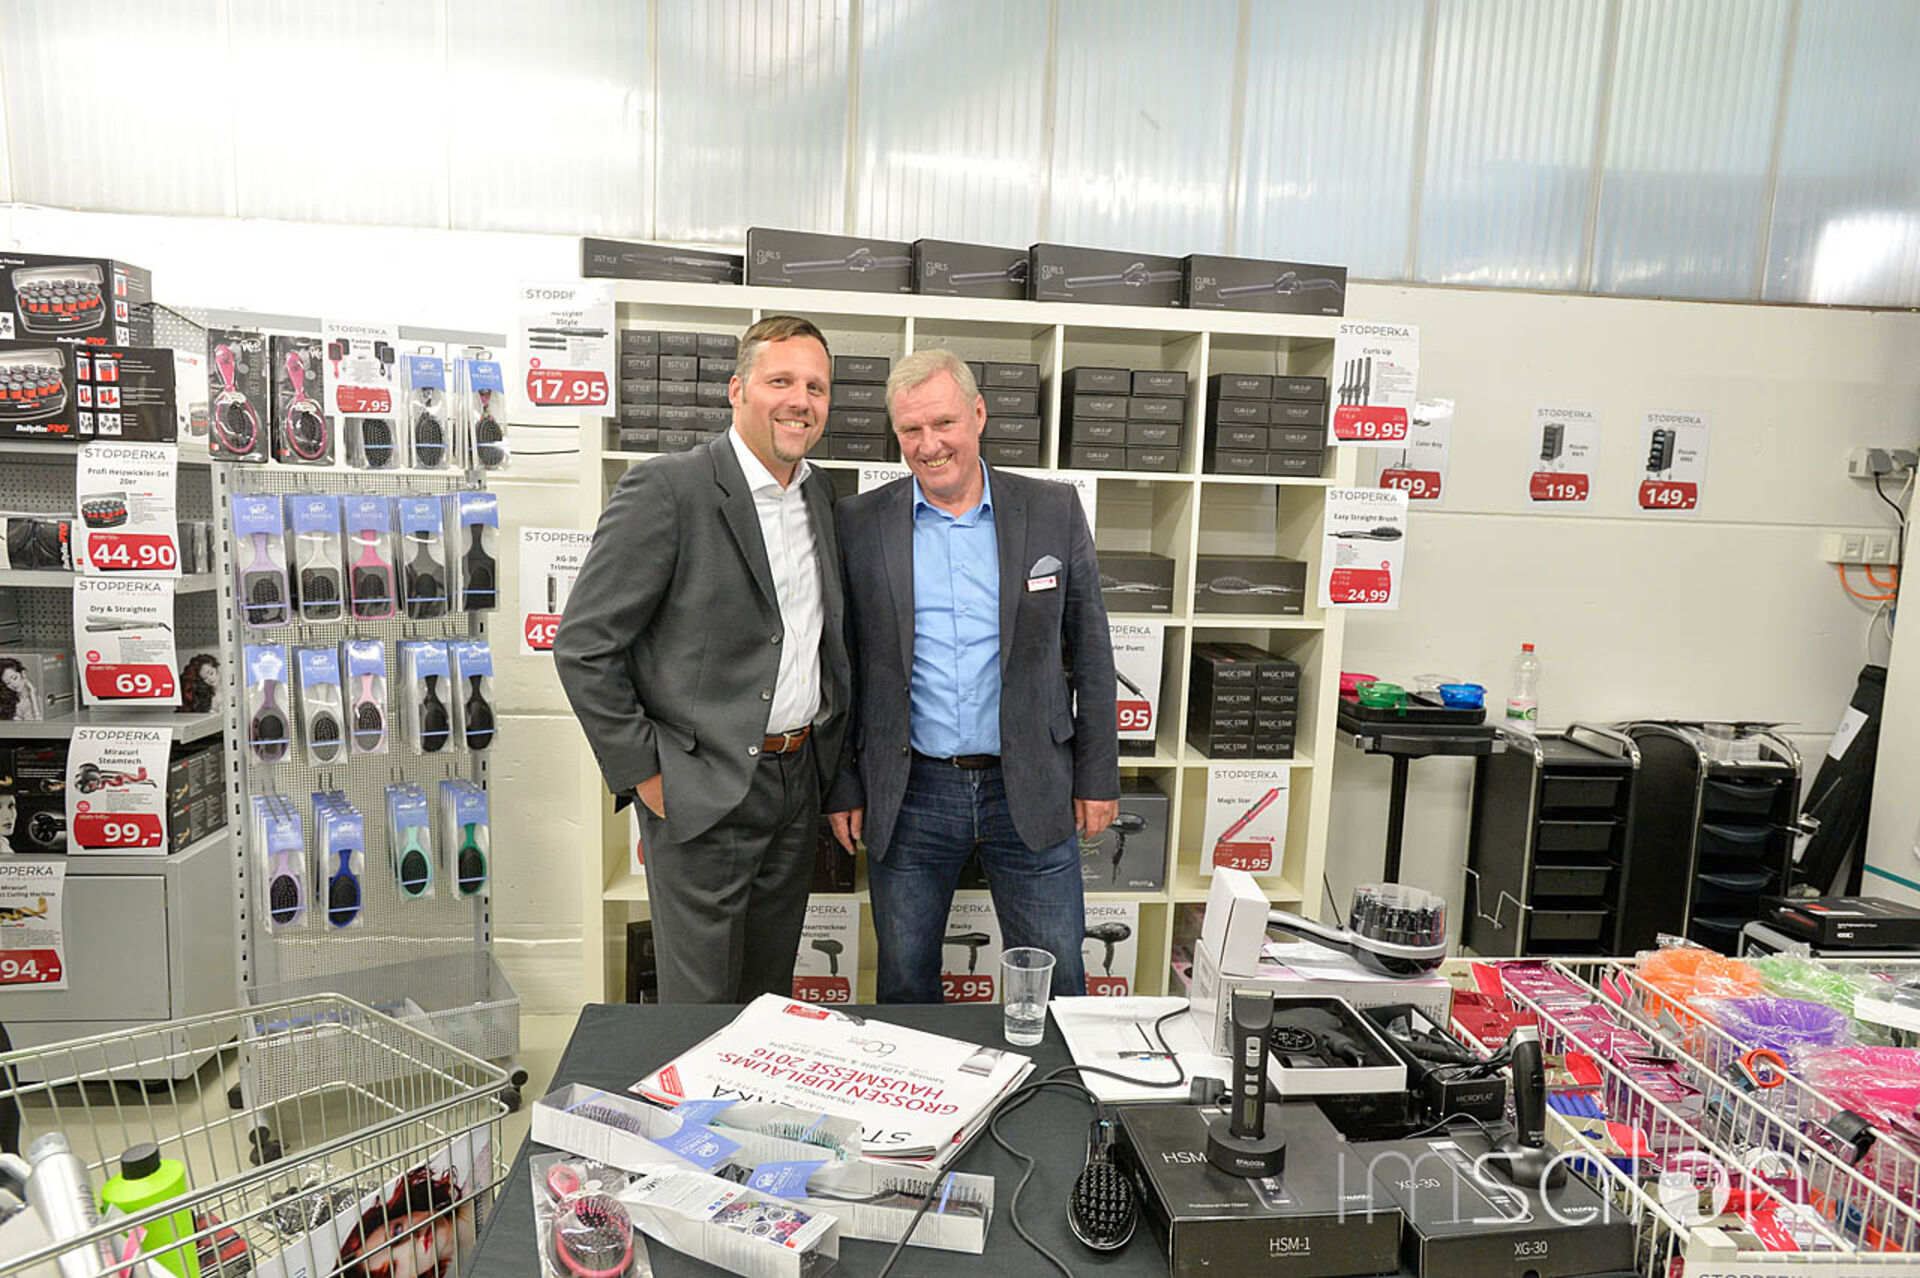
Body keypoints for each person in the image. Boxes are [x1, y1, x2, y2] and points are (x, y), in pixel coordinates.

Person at [557, 315, 851, 1004]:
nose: (800, 401)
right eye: (781, 381)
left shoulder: (819, 495)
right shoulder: (668, 489)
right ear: (737, 390)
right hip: (701, 787)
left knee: (768, 999)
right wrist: (647, 774)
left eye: (816, 387)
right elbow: (584, 646)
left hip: (795, 783)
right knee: (698, 1008)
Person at [826, 349, 1118, 1003]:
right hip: (911, 793)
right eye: (911, 430)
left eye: (944, 423)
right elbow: (843, 668)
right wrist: (844, 783)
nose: (929, 445)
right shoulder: (858, 523)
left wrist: (1098, 776)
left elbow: (1092, 649)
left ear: (978, 414)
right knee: (905, 982)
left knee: (1058, 981)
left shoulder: (1051, 509)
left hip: (1031, 786)